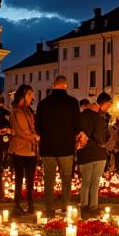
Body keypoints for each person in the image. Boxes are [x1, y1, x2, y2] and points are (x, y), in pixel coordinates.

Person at [35, 76, 78, 214]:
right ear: (66, 85)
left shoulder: (43, 103)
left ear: (53, 85)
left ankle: (49, 207)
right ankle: (65, 205)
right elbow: (77, 124)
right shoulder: (72, 102)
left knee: (49, 179)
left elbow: (38, 127)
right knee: (66, 178)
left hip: (48, 147)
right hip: (66, 147)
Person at [77, 92, 112, 213]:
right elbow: (101, 137)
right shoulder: (99, 118)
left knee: (85, 182)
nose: (109, 108)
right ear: (105, 103)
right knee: (95, 182)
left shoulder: (81, 116)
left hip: (84, 153)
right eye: (109, 105)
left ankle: (84, 206)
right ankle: (93, 206)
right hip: (98, 153)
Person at [8, 85, 39, 214]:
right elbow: (23, 131)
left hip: (30, 150)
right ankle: (18, 204)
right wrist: (35, 136)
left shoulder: (28, 110)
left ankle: (30, 204)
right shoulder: (17, 111)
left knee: (30, 179)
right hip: (20, 150)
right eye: (30, 94)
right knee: (20, 178)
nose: (32, 97)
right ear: (23, 95)